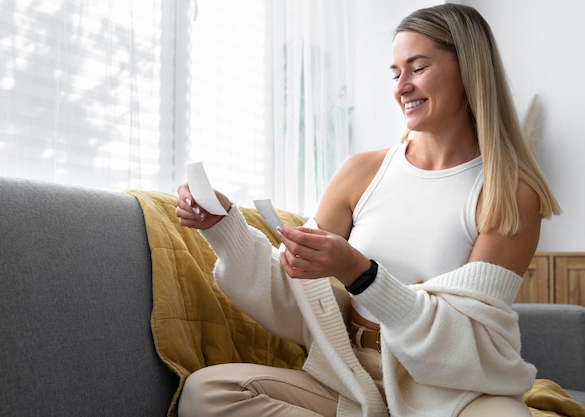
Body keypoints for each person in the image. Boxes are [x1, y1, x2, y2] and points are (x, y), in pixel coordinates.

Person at [175, 3, 561, 417]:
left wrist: (360, 274)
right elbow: (297, 298)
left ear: (469, 69)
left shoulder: (510, 193)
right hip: (350, 377)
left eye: (417, 68)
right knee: (207, 392)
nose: (401, 87)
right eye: (395, 73)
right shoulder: (362, 172)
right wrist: (226, 229)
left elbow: (465, 343)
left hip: (451, 393)